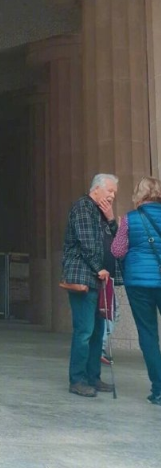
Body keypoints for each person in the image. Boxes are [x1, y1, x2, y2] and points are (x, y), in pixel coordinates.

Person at [61, 173, 122, 397]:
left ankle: (93, 377)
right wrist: (99, 268)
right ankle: (77, 379)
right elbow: (87, 244)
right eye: (110, 191)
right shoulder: (83, 207)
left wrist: (111, 218)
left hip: (100, 281)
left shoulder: (102, 212)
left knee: (98, 331)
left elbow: (119, 243)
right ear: (96, 189)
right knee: (84, 330)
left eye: (115, 192)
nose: (113, 195)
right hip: (85, 277)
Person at [111, 176, 161, 406]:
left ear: (139, 194)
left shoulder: (130, 219)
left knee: (148, 334)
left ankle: (158, 390)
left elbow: (117, 251)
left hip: (138, 283)